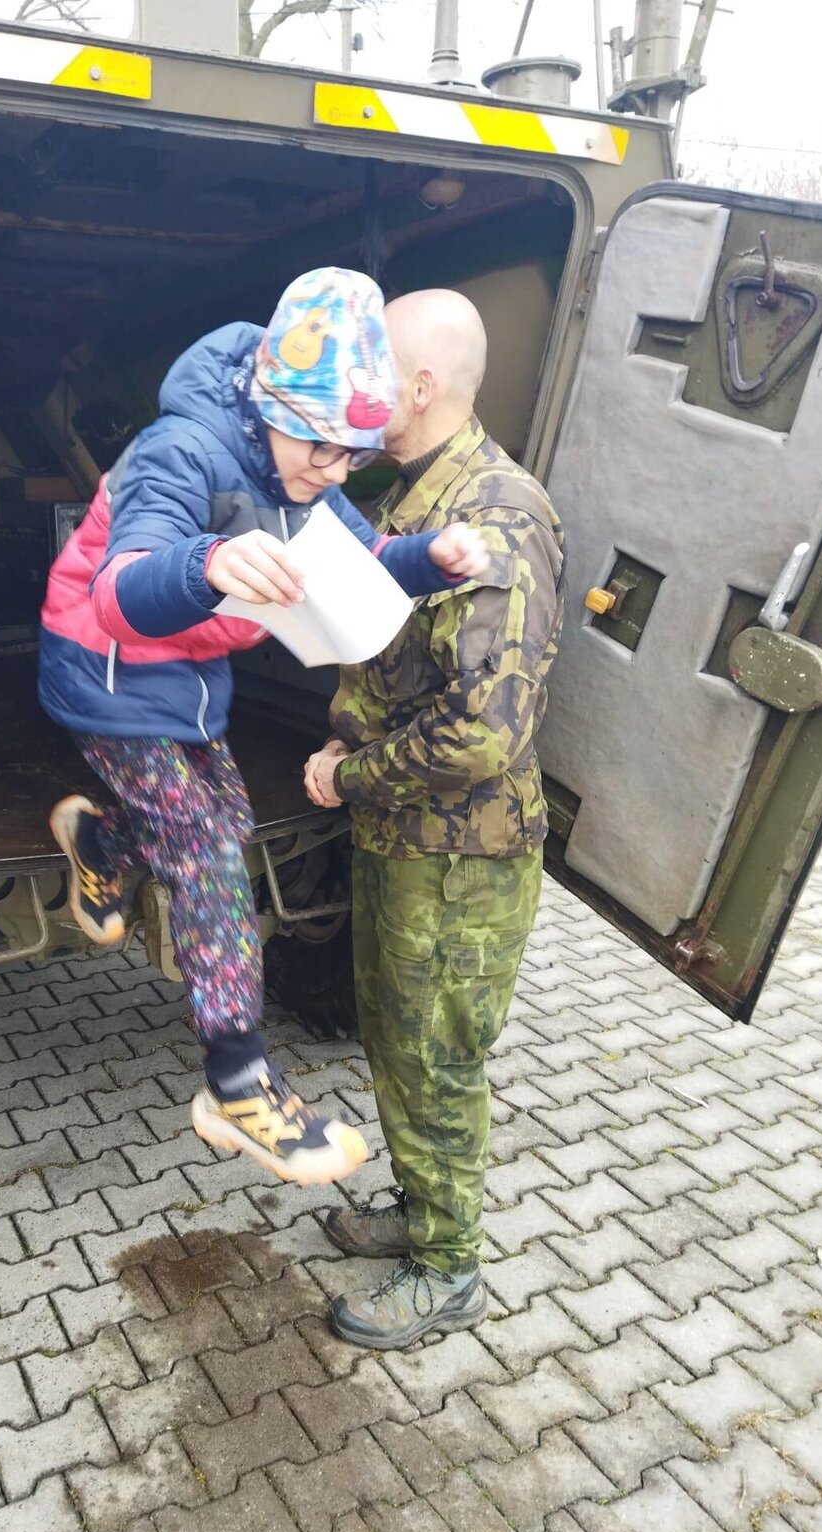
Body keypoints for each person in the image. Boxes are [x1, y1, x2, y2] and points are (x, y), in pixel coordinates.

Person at [39, 267, 487, 1187]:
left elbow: (361, 557)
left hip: (188, 675)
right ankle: (237, 1082)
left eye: (353, 456)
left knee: (225, 825)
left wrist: (429, 561)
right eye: (321, 448)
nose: (333, 472)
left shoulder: (307, 471)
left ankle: (100, 841)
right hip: (109, 671)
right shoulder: (179, 451)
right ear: (270, 405)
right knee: (205, 849)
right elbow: (120, 592)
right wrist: (208, 564)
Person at [303, 288, 566, 1347]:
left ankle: (451, 1268)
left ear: (416, 387)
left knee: (439, 1056)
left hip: (461, 857)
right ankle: (421, 1212)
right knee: (397, 1039)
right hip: (406, 841)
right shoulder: (415, 494)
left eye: (370, 370)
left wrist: (351, 775)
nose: (354, 391)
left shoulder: (496, 515)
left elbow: (484, 735)